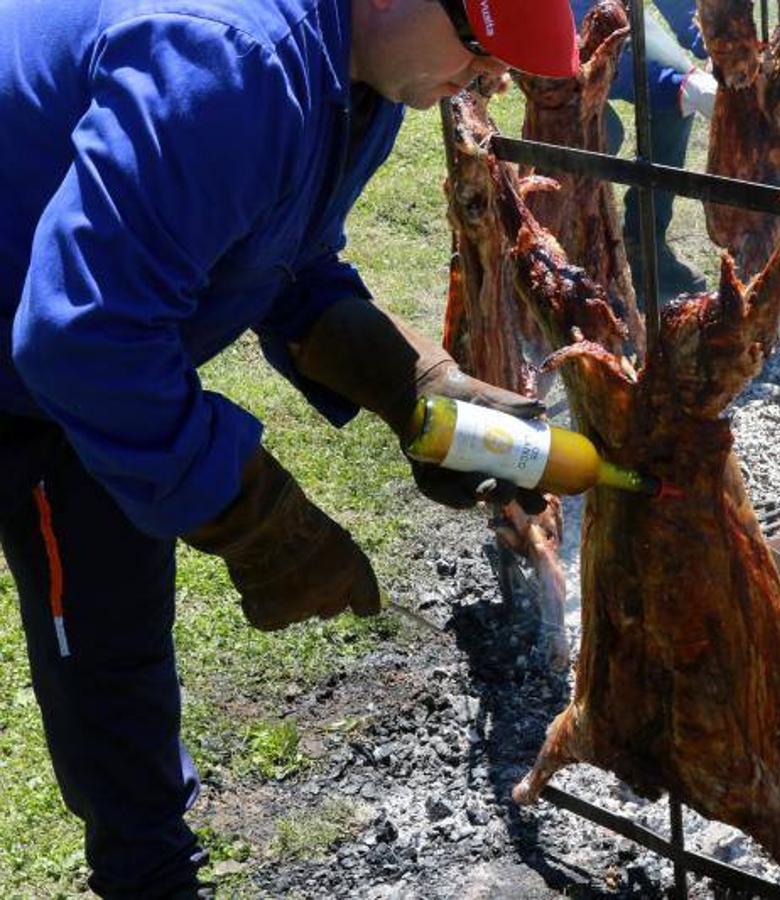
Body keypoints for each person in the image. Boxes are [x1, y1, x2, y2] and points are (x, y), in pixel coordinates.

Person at [0, 0, 579, 896]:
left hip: (72, 340)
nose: (491, 82)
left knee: (113, 636)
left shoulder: (362, 76)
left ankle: (149, 874)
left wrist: (410, 385)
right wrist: (259, 524)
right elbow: (83, 338)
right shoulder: (230, 62)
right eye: (481, 51)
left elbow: (286, 254)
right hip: (49, 347)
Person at [571, 0, 718, 297]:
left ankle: (643, 244)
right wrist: (673, 83)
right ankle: (568, 251)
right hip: (545, 21)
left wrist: (715, 43)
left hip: (617, 10)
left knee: (677, 103)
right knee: (602, 132)